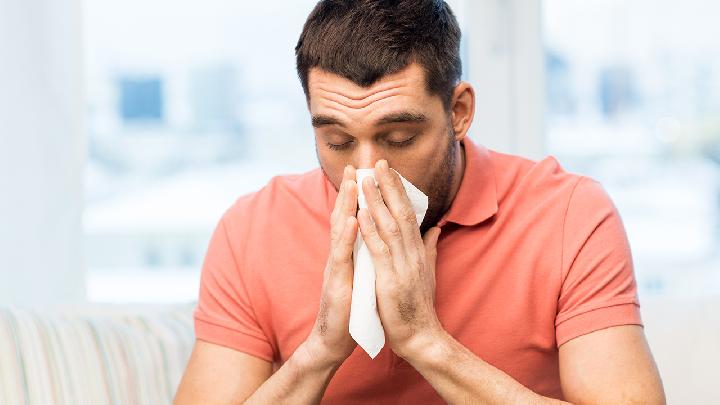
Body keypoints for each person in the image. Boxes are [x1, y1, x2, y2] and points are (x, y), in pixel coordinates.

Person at [174, 1, 666, 403]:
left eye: (400, 137)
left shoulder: (569, 215)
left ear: (459, 111)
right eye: (338, 141)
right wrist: (321, 350)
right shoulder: (252, 230)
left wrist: (424, 341)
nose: (367, 172)